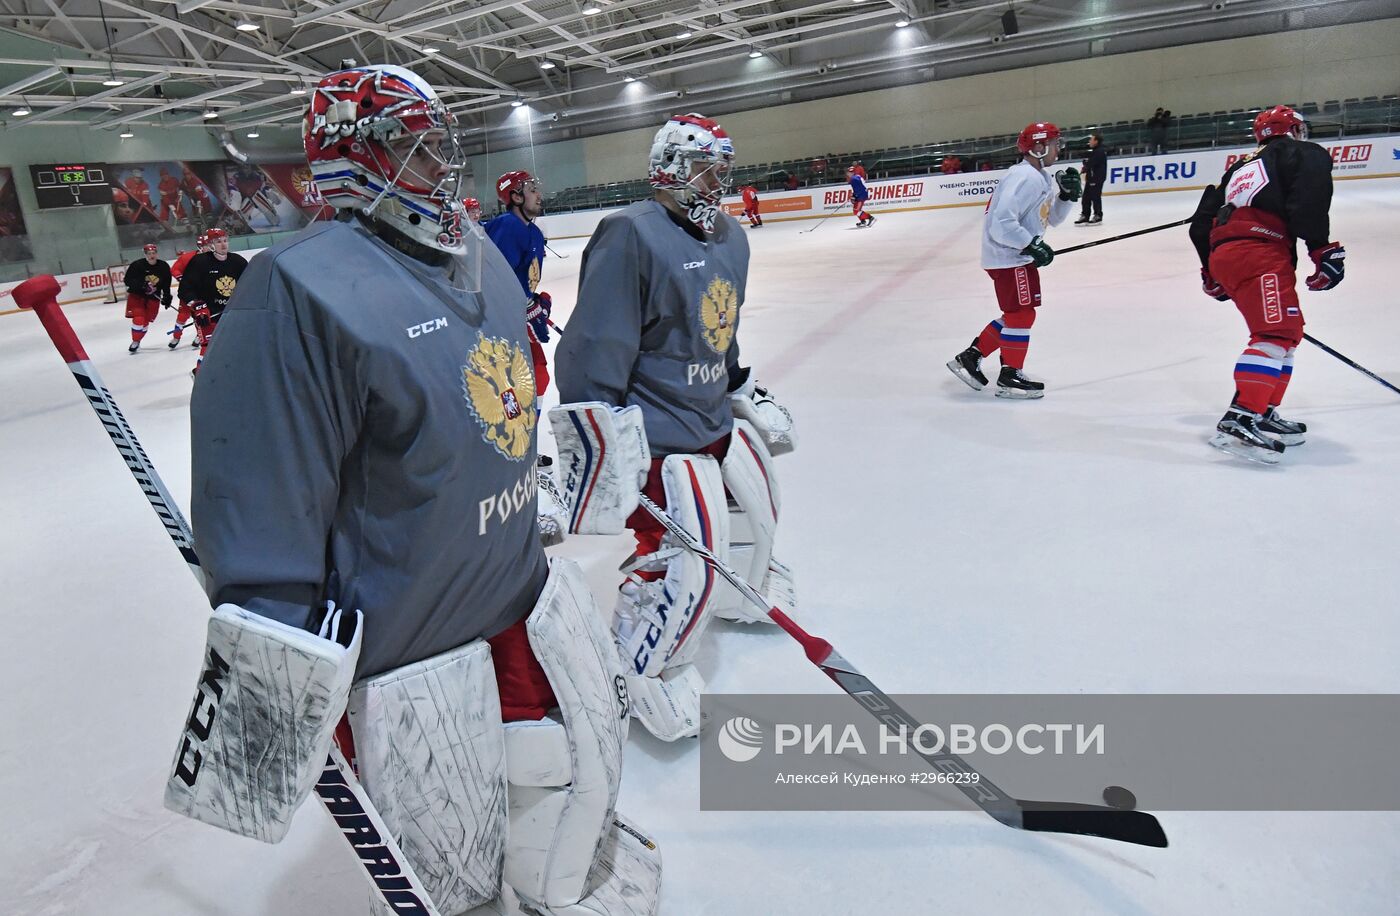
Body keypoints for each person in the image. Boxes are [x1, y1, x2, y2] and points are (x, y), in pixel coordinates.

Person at [171, 63, 661, 916]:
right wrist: (274, 678)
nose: (439, 160)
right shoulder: (296, 290)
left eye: (442, 141)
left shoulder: (478, 256)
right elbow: (261, 499)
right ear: (349, 155)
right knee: (447, 872)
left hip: (518, 595)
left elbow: (507, 402)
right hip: (408, 644)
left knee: (561, 766)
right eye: (412, 143)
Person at [554, 112, 797, 744]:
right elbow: (595, 344)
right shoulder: (631, 235)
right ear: (669, 166)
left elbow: (722, 325)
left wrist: (739, 381)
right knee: (673, 563)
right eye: (703, 165)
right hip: (658, 436)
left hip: (711, 415)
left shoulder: (732, 236)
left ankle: (743, 590)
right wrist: (597, 430)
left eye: (723, 164)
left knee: (756, 511)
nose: (717, 178)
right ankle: (643, 662)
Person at [1189, 104, 1343, 464]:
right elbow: (1309, 202)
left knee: (1287, 333)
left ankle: (1262, 411)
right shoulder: (1302, 153)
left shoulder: (1238, 169)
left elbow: (1200, 225)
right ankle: (1241, 417)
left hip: (1229, 253)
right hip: (1260, 252)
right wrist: (1321, 248)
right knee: (1274, 334)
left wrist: (1210, 272)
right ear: (1294, 130)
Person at [946, 122, 1079, 398]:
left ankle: (970, 358)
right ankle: (1009, 376)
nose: (1059, 149)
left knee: (1017, 314)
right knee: (1022, 314)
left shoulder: (1039, 176)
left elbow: (1050, 218)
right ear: (1038, 147)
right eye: (1055, 144)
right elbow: (1001, 222)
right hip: (1009, 256)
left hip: (1016, 255)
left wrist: (1066, 198)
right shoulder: (1024, 177)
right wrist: (1029, 244)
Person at [484, 170, 552, 396]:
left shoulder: (532, 231)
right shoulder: (507, 226)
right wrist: (522, 309)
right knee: (512, 386)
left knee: (539, 378)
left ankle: (529, 428)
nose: (539, 195)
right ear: (516, 197)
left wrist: (533, 302)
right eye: (532, 190)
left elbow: (521, 277)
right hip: (498, 323)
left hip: (516, 316)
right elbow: (492, 282)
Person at [179, 227, 247, 376]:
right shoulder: (200, 263)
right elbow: (185, 290)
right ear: (210, 245)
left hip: (232, 313)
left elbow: (251, 284)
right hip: (207, 314)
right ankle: (200, 375)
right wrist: (197, 306)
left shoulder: (238, 261)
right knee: (210, 346)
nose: (223, 245)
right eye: (218, 242)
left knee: (238, 344)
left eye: (225, 241)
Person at [122, 242, 171, 353]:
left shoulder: (163, 266)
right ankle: (135, 341)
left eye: (153, 253)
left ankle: (138, 340)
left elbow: (166, 283)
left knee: (145, 322)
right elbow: (128, 280)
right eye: (149, 253)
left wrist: (167, 296)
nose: (151, 255)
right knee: (139, 319)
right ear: (145, 254)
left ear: (157, 253)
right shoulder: (137, 265)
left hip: (153, 298)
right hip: (137, 296)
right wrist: (142, 286)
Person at [166, 232, 209, 349]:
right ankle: (176, 337)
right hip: (188, 292)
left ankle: (200, 337)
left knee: (201, 316)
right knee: (182, 316)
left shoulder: (213, 258)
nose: (209, 247)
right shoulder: (188, 258)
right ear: (200, 246)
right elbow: (175, 269)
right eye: (207, 245)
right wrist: (182, 278)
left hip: (205, 294)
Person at [1075, 133, 1107, 225]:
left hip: (1096, 178)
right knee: (1086, 198)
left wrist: (1085, 165)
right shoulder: (1095, 151)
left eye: (1091, 140)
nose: (1089, 141)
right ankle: (1085, 215)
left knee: (1095, 197)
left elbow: (1091, 163)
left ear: (1096, 141)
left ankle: (1098, 215)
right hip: (1091, 178)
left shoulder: (1099, 151)